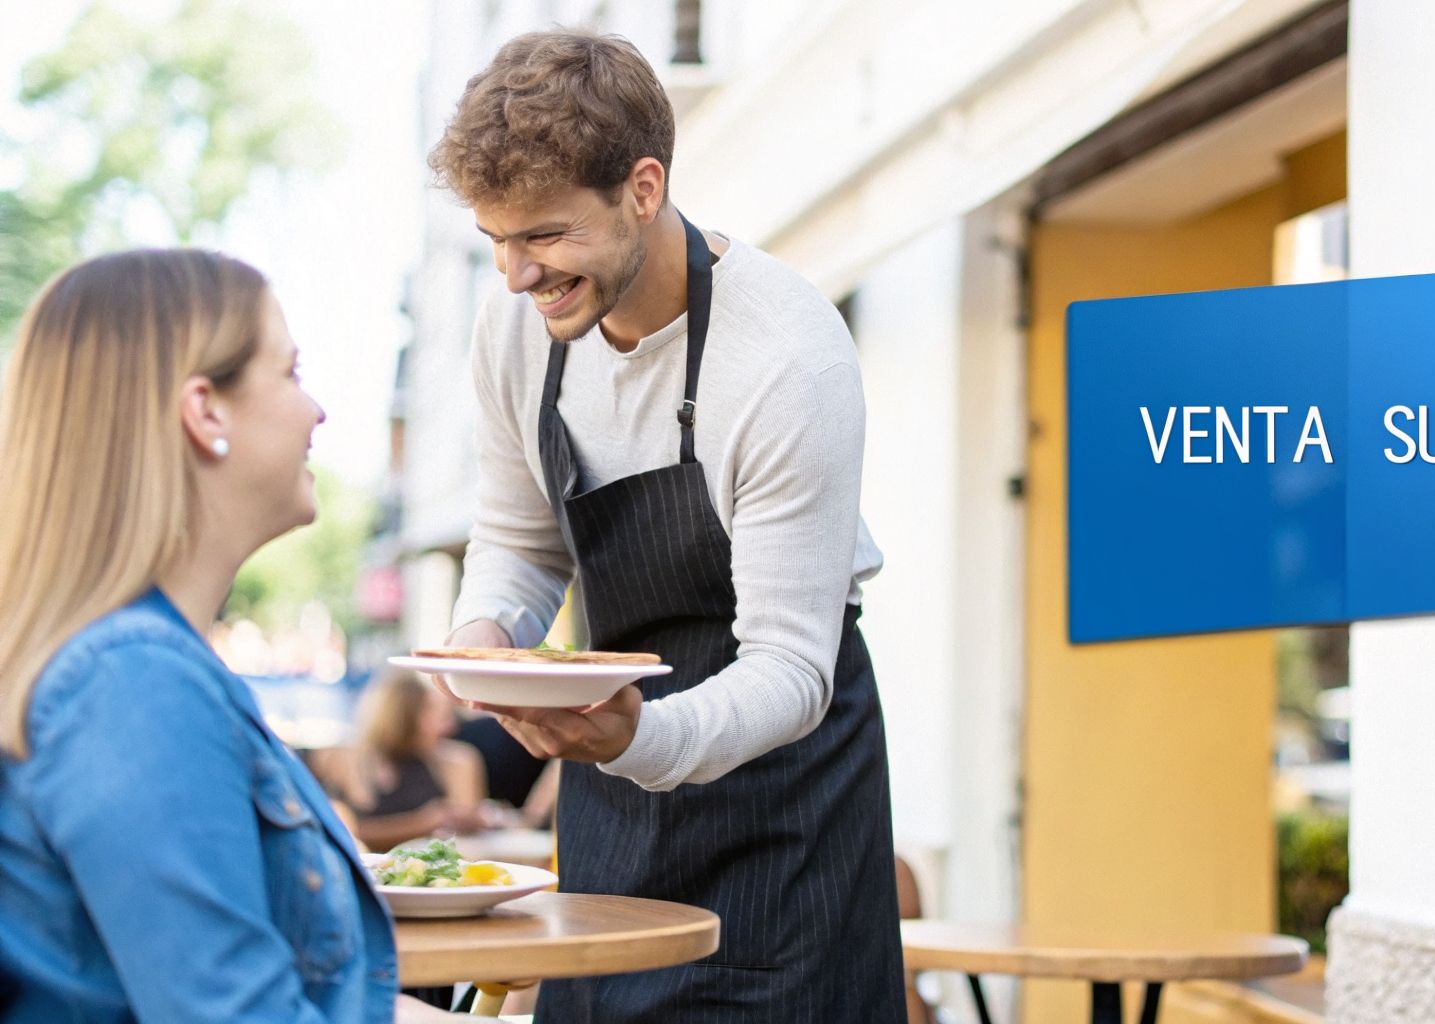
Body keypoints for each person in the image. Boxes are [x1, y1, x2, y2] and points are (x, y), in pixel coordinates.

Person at [427, 29, 906, 1021]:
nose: (516, 274)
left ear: (642, 188)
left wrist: (632, 734)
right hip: (615, 797)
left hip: (788, 810)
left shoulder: (784, 356)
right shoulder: (512, 329)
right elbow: (519, 541)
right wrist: (487, 644)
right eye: (496, 242)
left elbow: (788, 668)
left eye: (544, 236)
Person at [0, 250, 459, 1023]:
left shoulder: (133, 667)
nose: (317, 410)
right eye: (291, 372)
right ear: (204, 411)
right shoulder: (132, 683)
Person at [313, 669, 492, 851]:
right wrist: (426, 822)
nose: (450, 727)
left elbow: (465, 839)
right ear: (402, 716)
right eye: (440, 717)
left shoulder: (452, 761)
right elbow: (346, 832)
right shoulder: (346, 760)